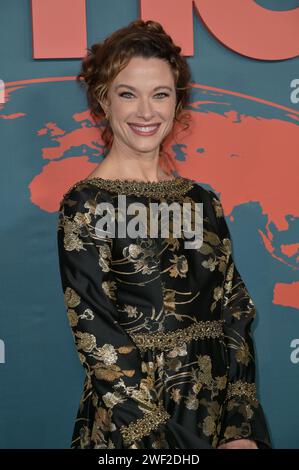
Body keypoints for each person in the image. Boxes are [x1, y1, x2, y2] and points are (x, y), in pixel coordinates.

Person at [56, 19, 271, 449]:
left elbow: (236, 309)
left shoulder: (202, 201)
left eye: (160, 94)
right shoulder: (87, 205)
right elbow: (99, 338)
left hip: (215, 418)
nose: (146, 112)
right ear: (103, 99)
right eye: (127, 94)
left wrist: (240, 427)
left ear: (177, 101)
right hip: (134, 428)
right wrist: (161, 441)